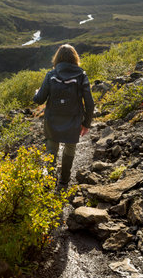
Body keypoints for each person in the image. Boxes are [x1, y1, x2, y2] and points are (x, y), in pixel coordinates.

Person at [33, 44, 94, 187]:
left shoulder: (51, 75)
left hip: (52, 119)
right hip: (73, 119)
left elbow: (39, 99)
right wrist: (86, 124)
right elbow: (90, 103)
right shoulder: (81, 75)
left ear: (57, 58)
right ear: (75, 58)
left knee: (51, 149)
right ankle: (64, 181)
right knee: (70, 149)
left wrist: (36, 92)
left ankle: (49, 182)